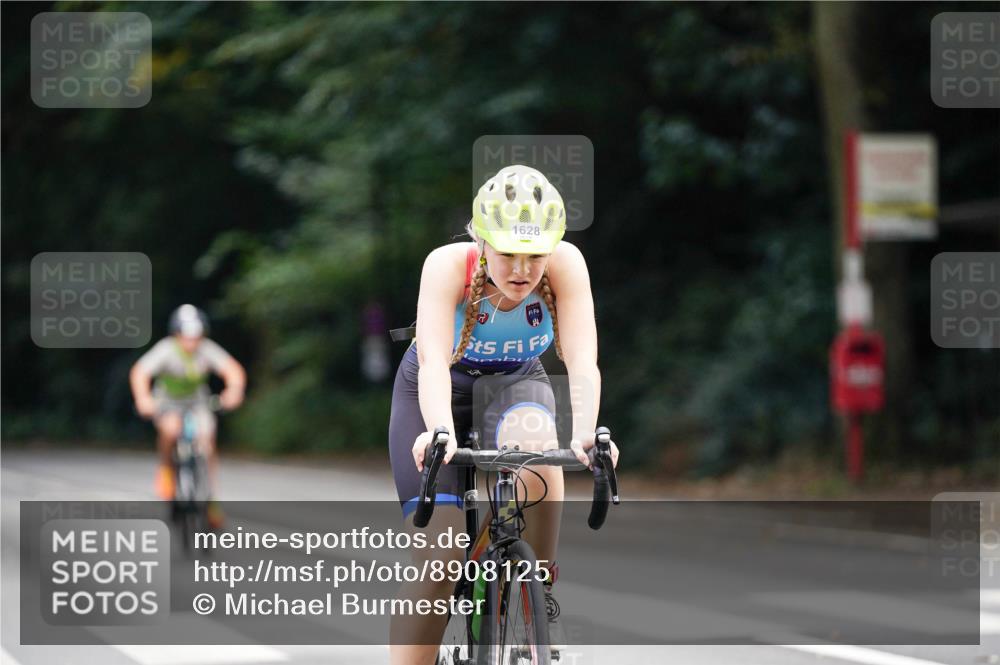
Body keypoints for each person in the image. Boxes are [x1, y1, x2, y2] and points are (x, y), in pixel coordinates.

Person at [387, 165, 619, 664]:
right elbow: (432, 362)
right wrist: (440, 430)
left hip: (515, 382)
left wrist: (585, 434)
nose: (521, 269)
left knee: (540, 455)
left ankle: (538, 592)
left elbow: (583, 361)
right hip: (439, 387)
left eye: (535, 255)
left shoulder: (566, 264)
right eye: (508, 253)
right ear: (481, 241)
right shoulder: (446, 265)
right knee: (439, 561)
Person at [129, 304, 246, 528]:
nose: (191, 342)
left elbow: (233, 370)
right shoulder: (166, 350)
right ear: (177, 334)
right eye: (186, 336)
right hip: (168, 403)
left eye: (196, 337)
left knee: (207, 441)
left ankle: (210, 499)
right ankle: (166, 468)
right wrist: (143, 398)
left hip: (198, 402)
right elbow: (140, 372)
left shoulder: (207, 349)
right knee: (170, 430)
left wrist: (234, 391)